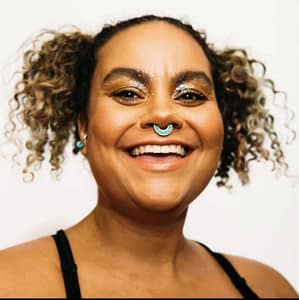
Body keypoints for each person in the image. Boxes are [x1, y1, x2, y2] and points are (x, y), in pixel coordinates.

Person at [0, 15, 298, 298]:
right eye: (129, 93)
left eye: (190, 95)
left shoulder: (269, 290)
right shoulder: (9, 283)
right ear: (83, 127)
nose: (163, 116)